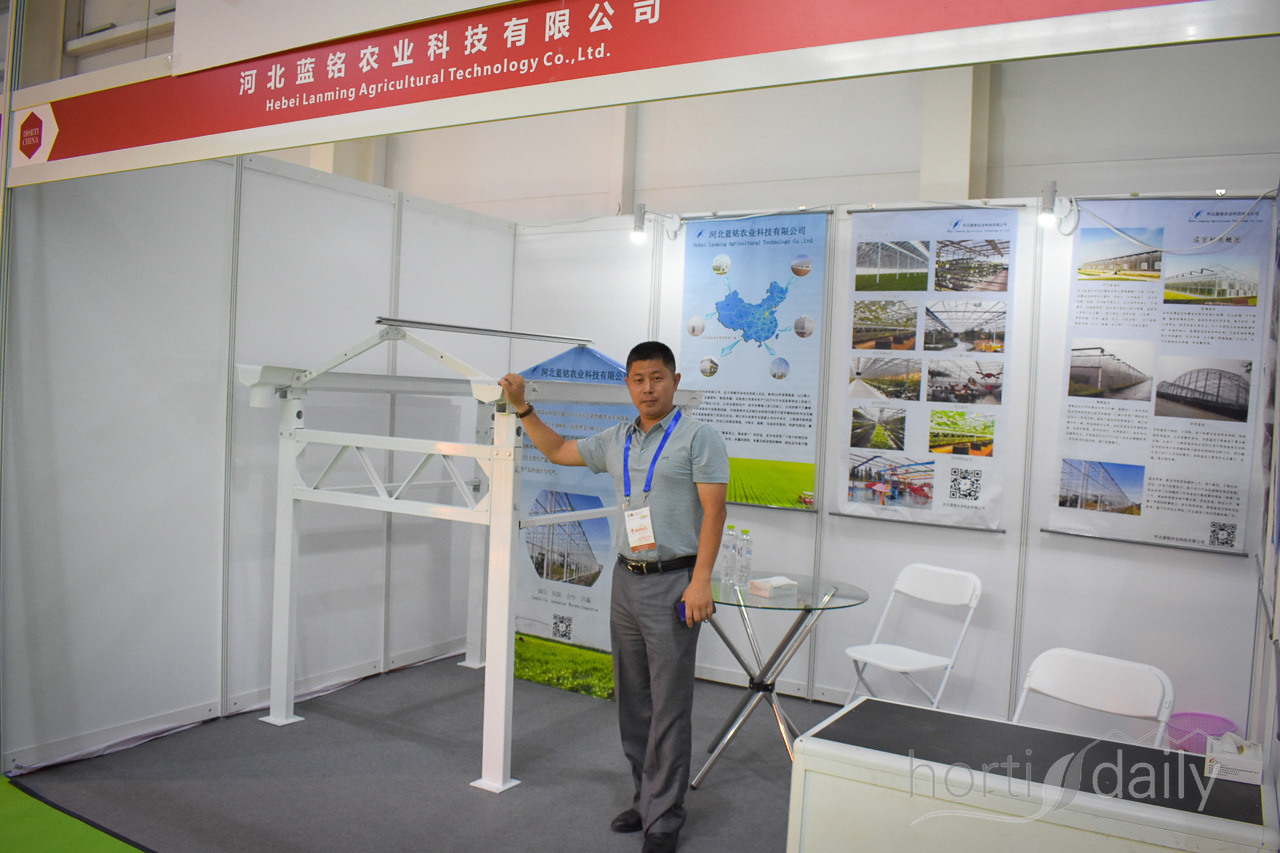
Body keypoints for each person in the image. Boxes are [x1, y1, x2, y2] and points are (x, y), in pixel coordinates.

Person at [499, 341, 729, 853]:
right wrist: (522, 407)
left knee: (669, 703)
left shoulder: (699, 437)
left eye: (657, 378)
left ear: (674, 381)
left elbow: (715, 512)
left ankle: (664, 817)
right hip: (626, 579)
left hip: (674, 580)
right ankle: (646, 797)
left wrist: (702, 580)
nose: (648, 388)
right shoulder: (617, 438)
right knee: (633, 699)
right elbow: (559, 451)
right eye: (638, 379)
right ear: (628, 384)